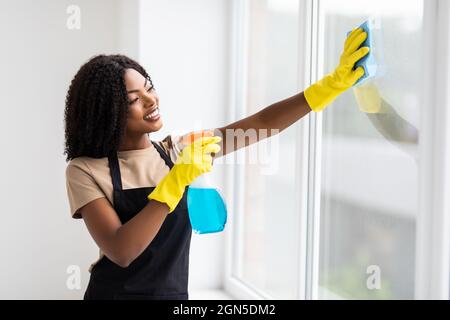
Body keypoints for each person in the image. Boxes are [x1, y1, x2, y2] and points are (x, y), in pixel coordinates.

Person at [64, 28, 369, 300]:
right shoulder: (85, 170)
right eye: (134, 98)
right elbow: (122, 250)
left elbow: (262, 123)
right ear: (108, 111)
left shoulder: (177, 150)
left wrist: (330, 85)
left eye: (149, 86)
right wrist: (175, 180)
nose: (151, 99)